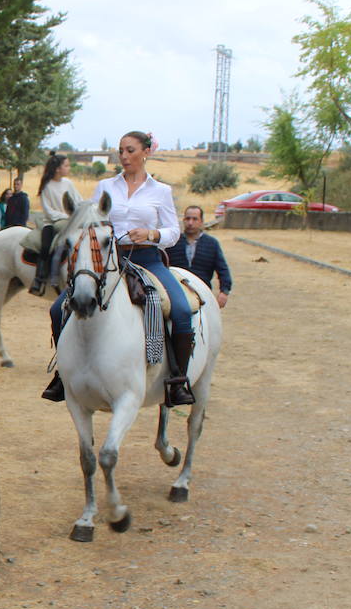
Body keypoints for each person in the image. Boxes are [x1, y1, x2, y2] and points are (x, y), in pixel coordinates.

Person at [42, 131, 196, 406]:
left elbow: (174, 231)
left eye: (130, 151)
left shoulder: (161, 191)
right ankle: (62, 375)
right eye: (121, 151)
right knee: (57, 308)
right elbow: (88, 220)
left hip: (147, 259)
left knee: (181, 310)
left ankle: (177, 380)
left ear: (146, 152)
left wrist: (151, 235)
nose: (124, 156)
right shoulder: (105, 186)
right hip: (108, 261)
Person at [32, 151, 82, 295]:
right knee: (46, 247)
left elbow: (78, 200)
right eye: (66, 165)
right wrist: (66, 216)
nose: (69, 168)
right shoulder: (46, 186)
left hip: (71, 221)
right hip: (52, 223)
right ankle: (39, 278)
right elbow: (49, 212)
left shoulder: (68, 183)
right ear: (58, 168)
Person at [165, 206, 231, 309]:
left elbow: (223, 270)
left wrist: (224, 292)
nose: (190, 223)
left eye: (195, 219)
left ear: (201, 221)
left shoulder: (212, 244)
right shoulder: (173, 243)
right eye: (187, 219)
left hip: (203, 292)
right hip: (177, 292)